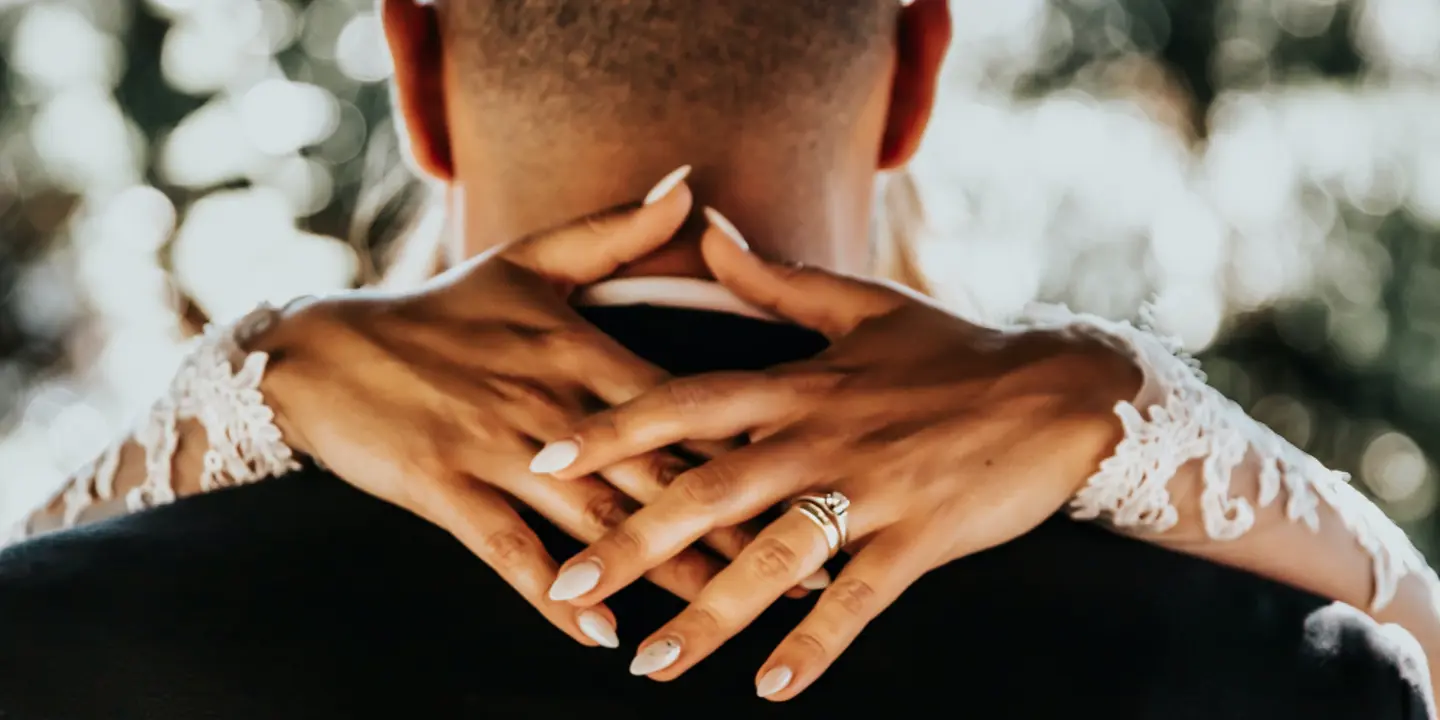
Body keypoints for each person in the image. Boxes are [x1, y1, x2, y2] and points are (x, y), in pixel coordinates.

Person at [0, 0, 1433, 717]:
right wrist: (1144, 415)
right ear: (918, 69)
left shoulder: (58, 641)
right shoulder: (1289, 667)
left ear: (416, 72)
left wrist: (247, 384)